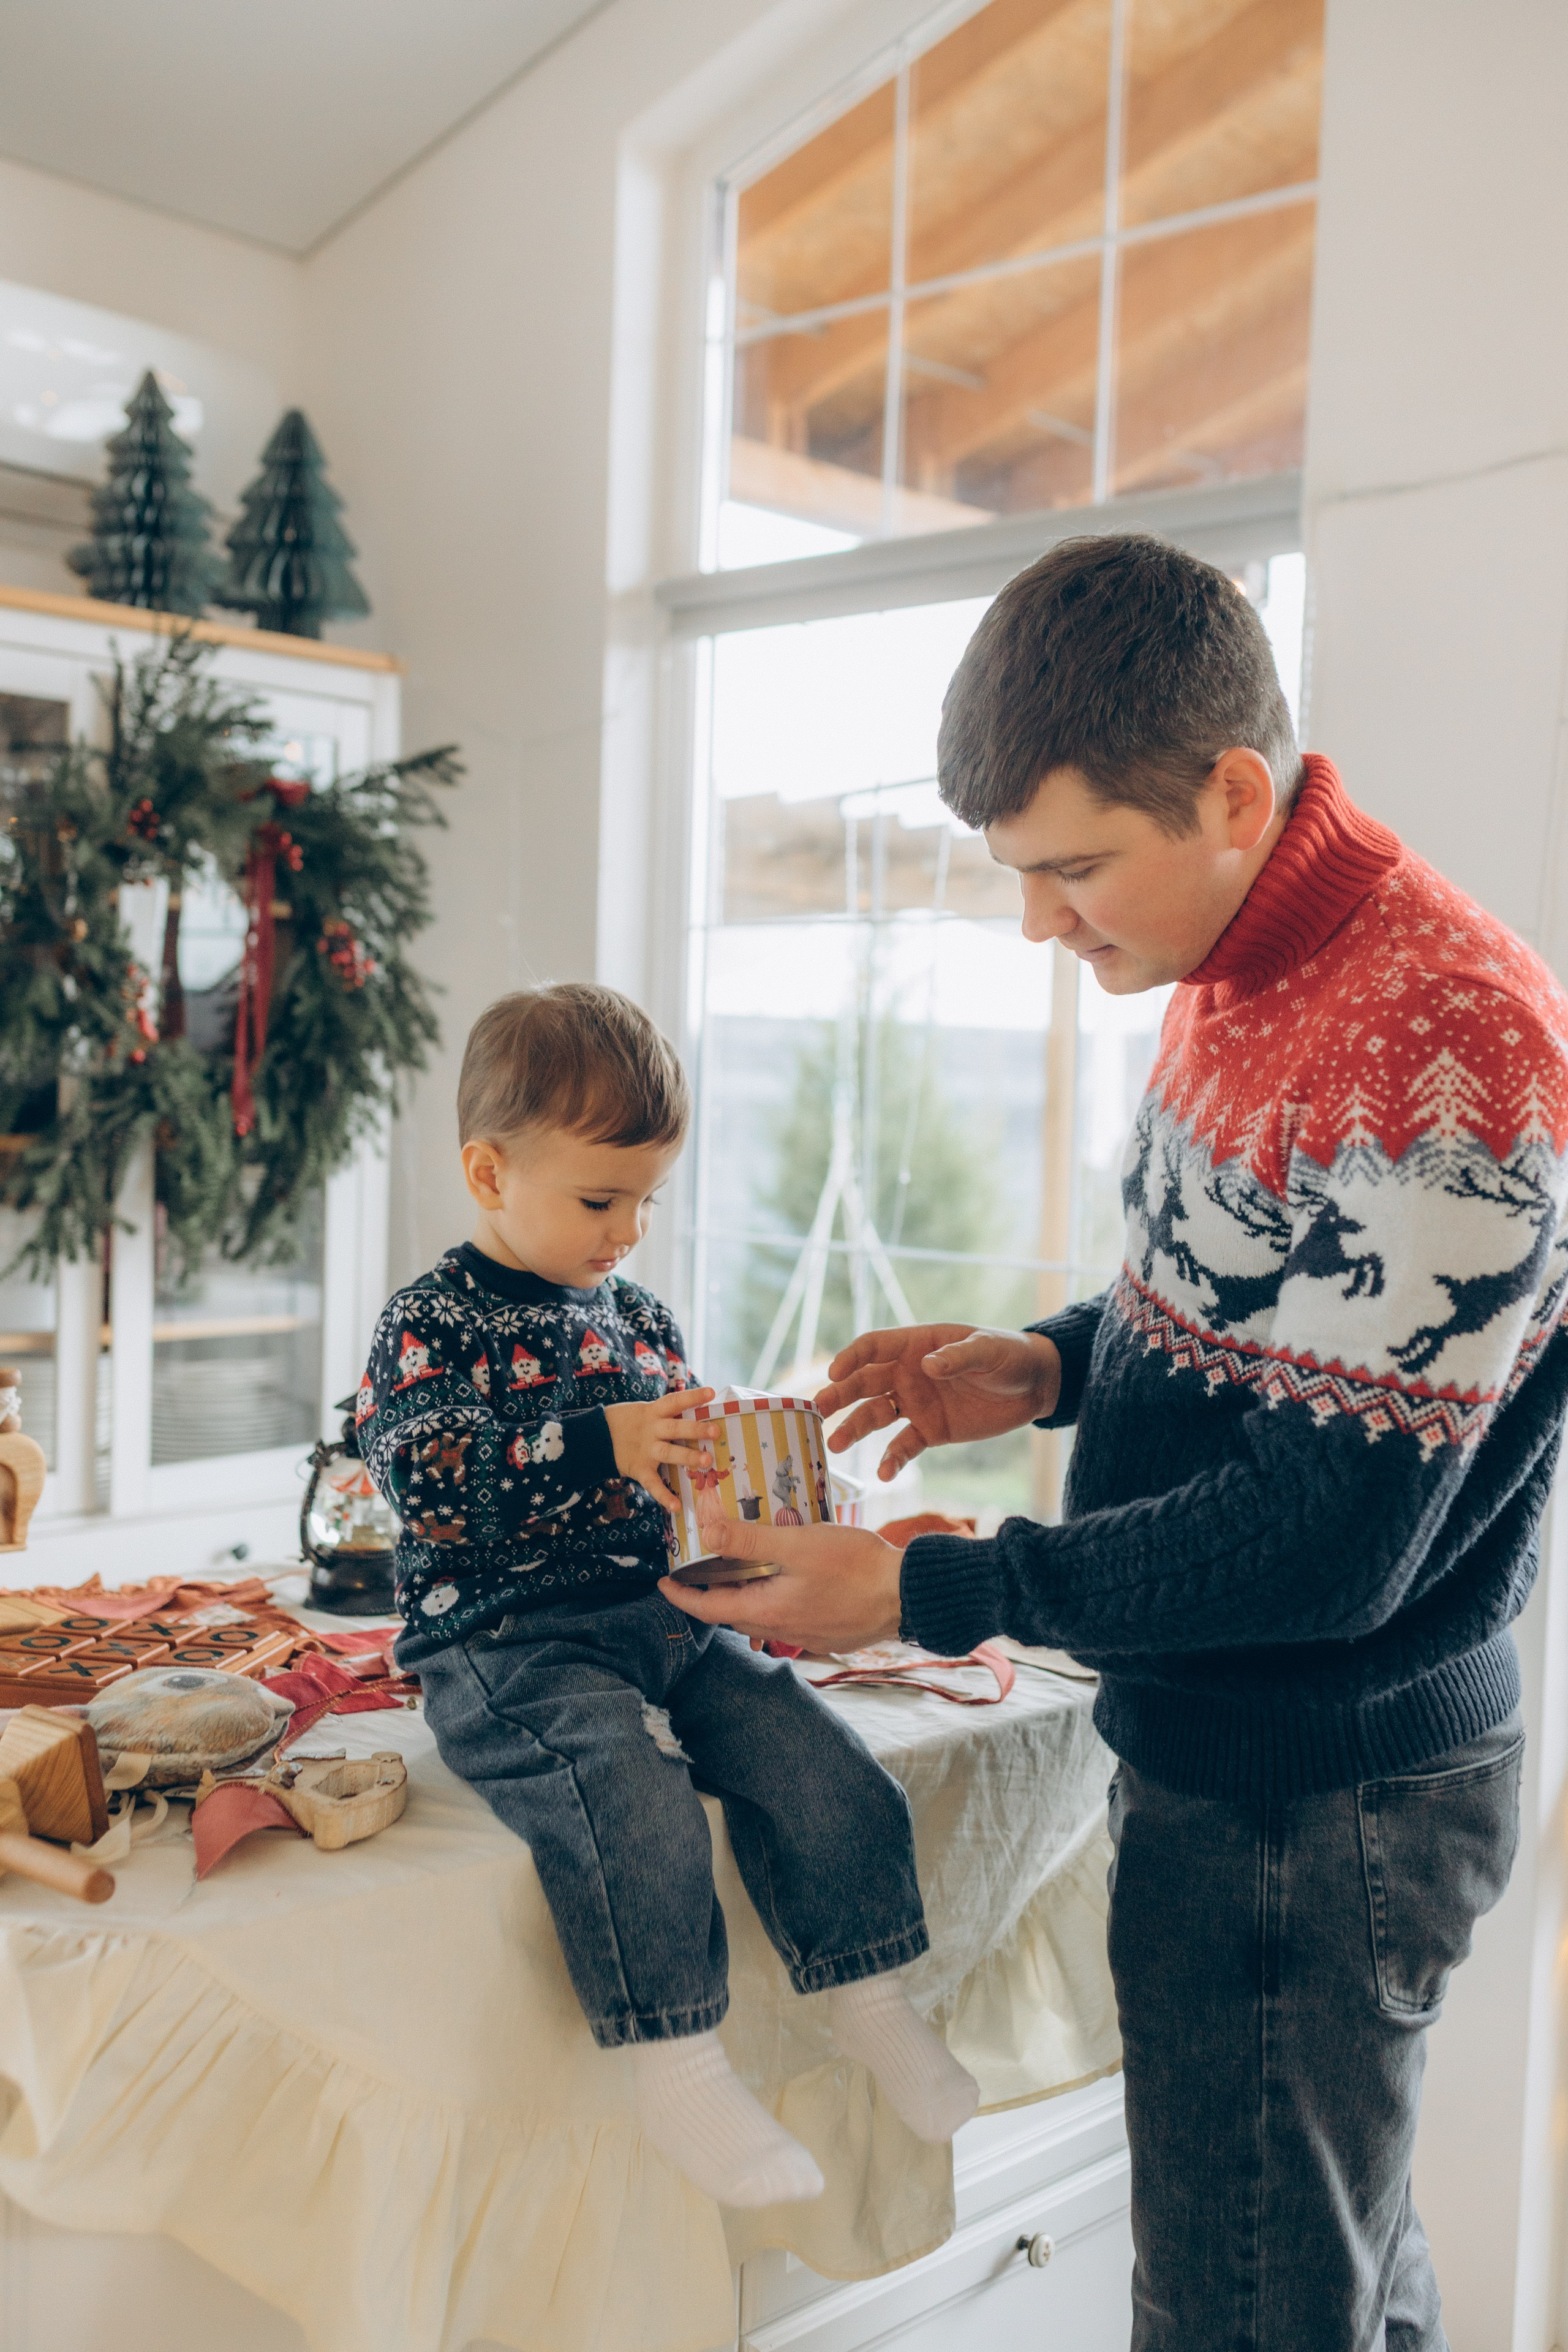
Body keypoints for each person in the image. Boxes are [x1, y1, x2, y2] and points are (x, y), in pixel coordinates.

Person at [663, 535, 1568, 2348]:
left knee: (1244, 2307)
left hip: (1318, 1800)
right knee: (1330, 2278)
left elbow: (1321, 1539)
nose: (1038, 924)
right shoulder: (1237, 963)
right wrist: (1044, 1366)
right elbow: (1248, 1299)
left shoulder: (1446, 1039)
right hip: (1259, 1758)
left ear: (1232, 796)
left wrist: (923, 1589)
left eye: (1072, 869)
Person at [356, 982, 978, 2211]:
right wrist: (603, 1441)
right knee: (628, 1796)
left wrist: (752, 1518)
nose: (630, 1230)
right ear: (487, 1173)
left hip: (664, 1616)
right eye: (601, 1200)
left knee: (817, 1758)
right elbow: (424, 1482)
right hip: (504, 1638)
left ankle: (870, 1995)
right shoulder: (428, 1324)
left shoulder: (639, 1319)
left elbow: (678, 1489)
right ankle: (677, 2065)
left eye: (648, 1199)